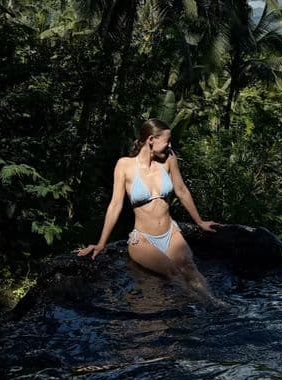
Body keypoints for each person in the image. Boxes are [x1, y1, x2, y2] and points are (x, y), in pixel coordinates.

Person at [77, 119, 223, 306]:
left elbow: (182, 190)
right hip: (143, 239)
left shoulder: (169, 159)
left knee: (189, 266)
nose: (170, 145)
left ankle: (215, 303)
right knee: (173, 272)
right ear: (151, 140)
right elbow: (115, 205)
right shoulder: (125, 165)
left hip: (170, 232)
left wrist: (200, 222)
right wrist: (101, 244)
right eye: (167, 141)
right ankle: (202, 306)